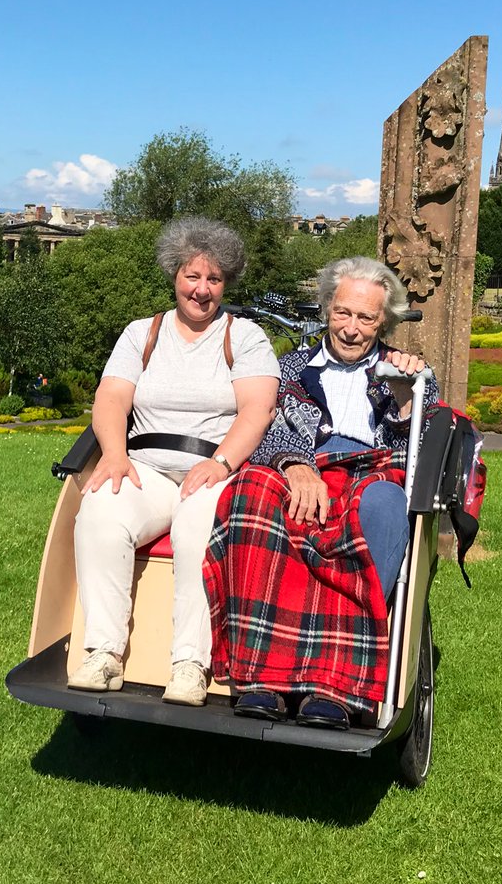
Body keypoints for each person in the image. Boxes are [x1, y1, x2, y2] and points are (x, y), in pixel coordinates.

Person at [203, 255, 438, 729]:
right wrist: (295, 464)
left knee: (383, 504)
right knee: (250, 490)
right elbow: (267, 426)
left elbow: (419, 445)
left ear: (384, 321)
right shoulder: (291, 366)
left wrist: (408, 393)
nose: (352, 329)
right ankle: (261, 678)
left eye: (367, 317)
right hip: (302, 463)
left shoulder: (406, 371)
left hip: (369, 472)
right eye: (343, 313)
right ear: (328, 308)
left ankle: (336, 685)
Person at [69, 217, 280, 707]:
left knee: (197, 530)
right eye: (192, 276)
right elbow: (111, 399)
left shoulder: (243, 337)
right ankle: (103, 652)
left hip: (212, 466)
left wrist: (223, 463)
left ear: (226, 284)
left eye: (214, 279)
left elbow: (258, 407)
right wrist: (116, 456)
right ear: (174, 275)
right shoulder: (142, 333)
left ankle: (189, 662)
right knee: (100, 508)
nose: (202, 290)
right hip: (145, 465)